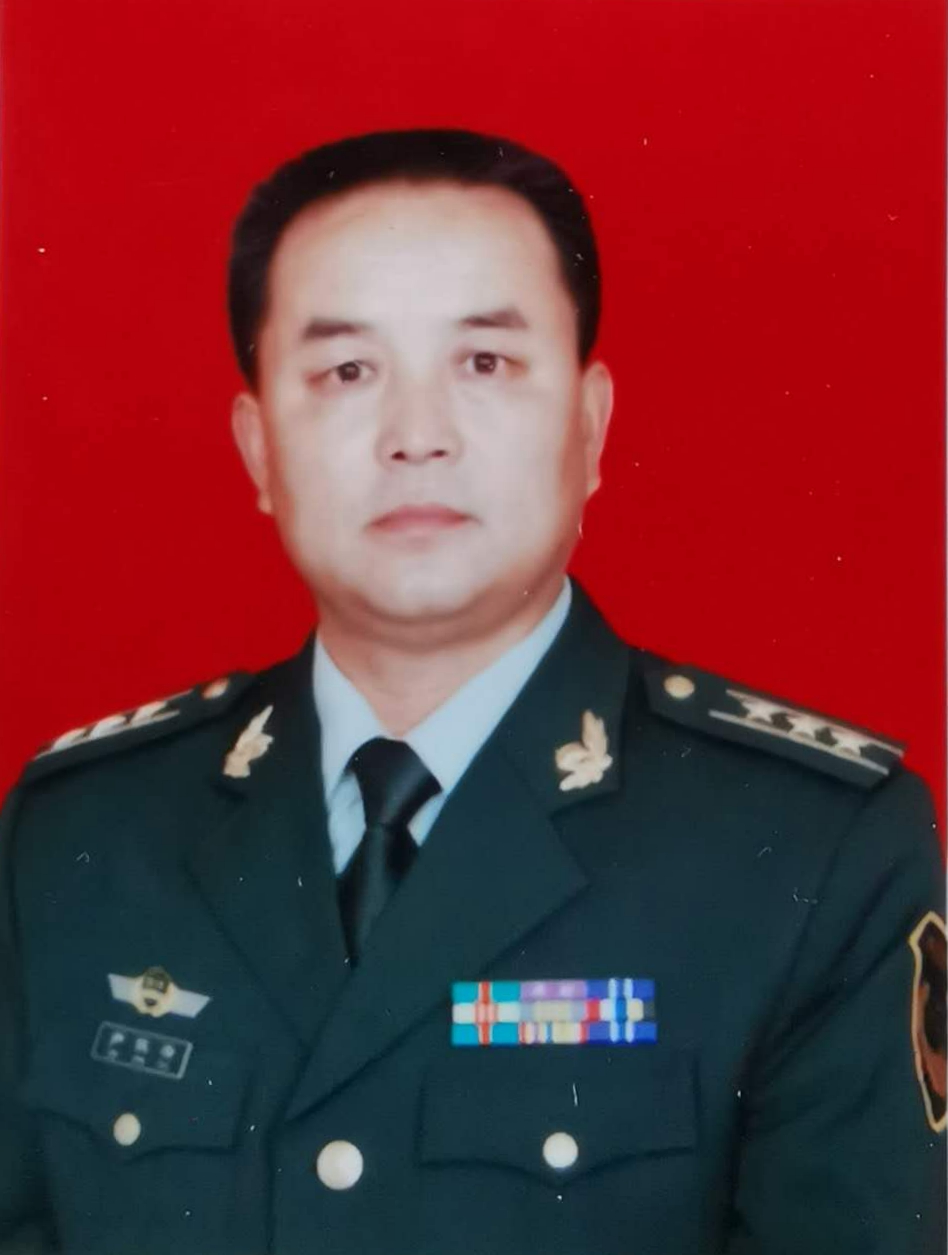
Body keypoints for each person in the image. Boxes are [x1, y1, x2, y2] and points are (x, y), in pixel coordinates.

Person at [0, 128, 944, 1255]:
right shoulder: (79, 839)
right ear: (258, 449)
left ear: (590, 426)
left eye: (485, 363)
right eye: (348, 372)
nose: (417, 438)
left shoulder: (816, 853)